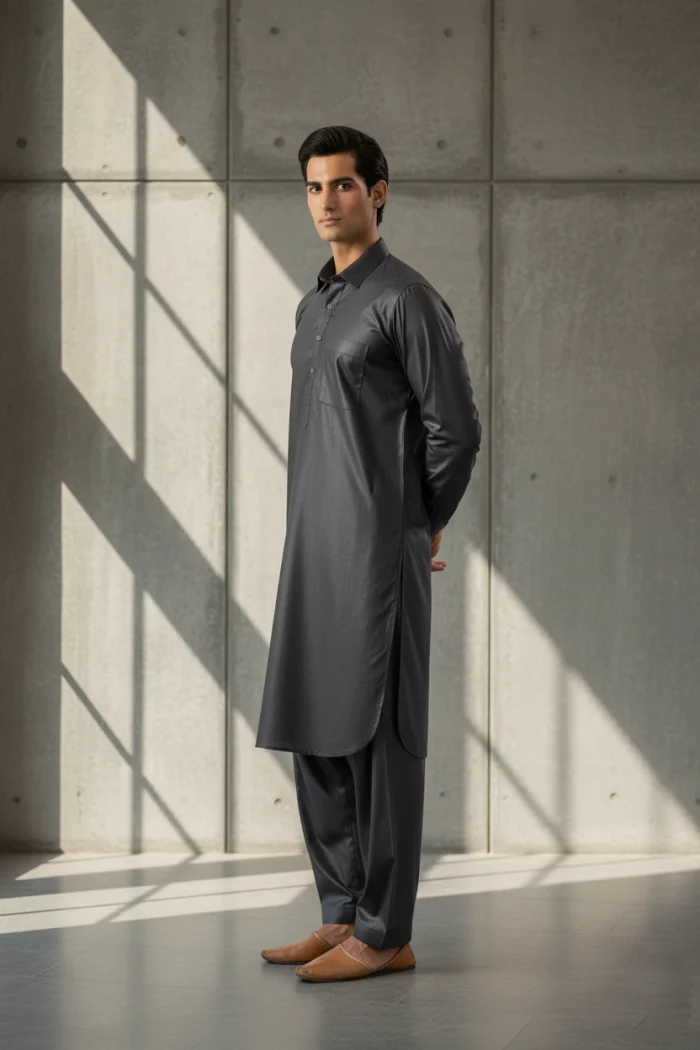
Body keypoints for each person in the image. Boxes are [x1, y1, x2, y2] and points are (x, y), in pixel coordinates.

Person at [255, 125, 481, 983]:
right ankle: (342, 912)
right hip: (311, 548)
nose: (326, 201)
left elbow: (455, 429)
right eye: (314, 187)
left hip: (377, 555)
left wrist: (419, 522)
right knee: (317, 729)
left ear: (377, 192)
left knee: (379, 738)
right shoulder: (314, 306)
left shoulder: (407, 299)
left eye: (343, 185)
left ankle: (386, 933)